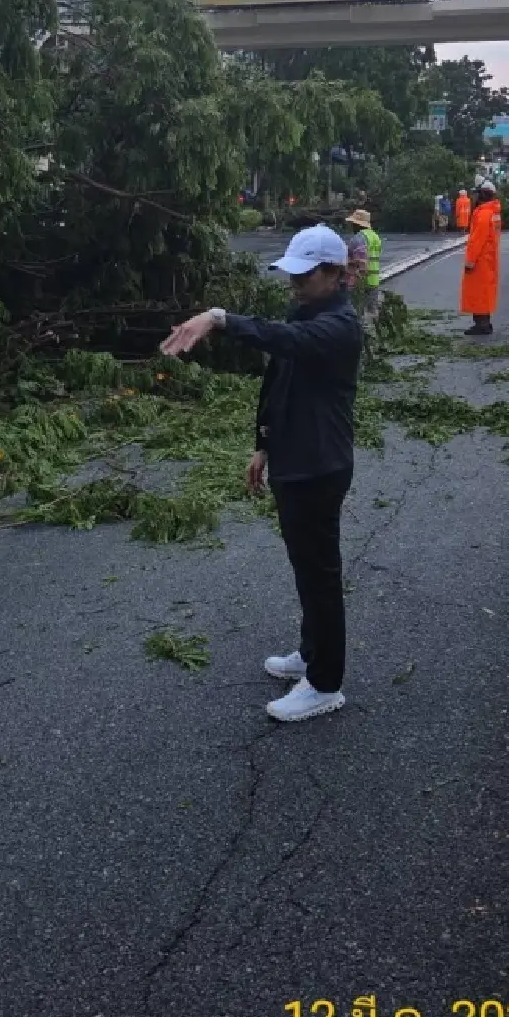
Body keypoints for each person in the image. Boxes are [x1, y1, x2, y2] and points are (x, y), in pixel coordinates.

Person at [160, 225, 362, 724]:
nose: (294, 283)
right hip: (292, 459)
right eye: (291, 273)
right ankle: (310, 652)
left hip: (319, 465)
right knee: (303, 566)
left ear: (335, 274)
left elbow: (285, 340)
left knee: (320, 575)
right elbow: (278, 382)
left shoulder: (338, 325)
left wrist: (220, 318)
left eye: (305, 274)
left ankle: (325, 683)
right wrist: (262, 446)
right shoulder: (306, 310)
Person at [459, 178, 502, 336]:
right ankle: (485, 322)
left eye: (477, 194)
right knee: (485, 292)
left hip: (480, 261)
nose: (475, 197)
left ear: (483, 195)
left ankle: (481, 324)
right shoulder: (493, 212)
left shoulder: (484, 213)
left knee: (479, 293)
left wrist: (470, 261)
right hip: (488, 259)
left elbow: (477, 240)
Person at [344, 207, 382, 325]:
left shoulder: (359, 238)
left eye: (353, 224)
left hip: (360, 281)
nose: (351, 226)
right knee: (372, 311)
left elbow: (362, 261)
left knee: (357, 313)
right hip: (374, 280)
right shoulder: (375, 236)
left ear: (357, 224)